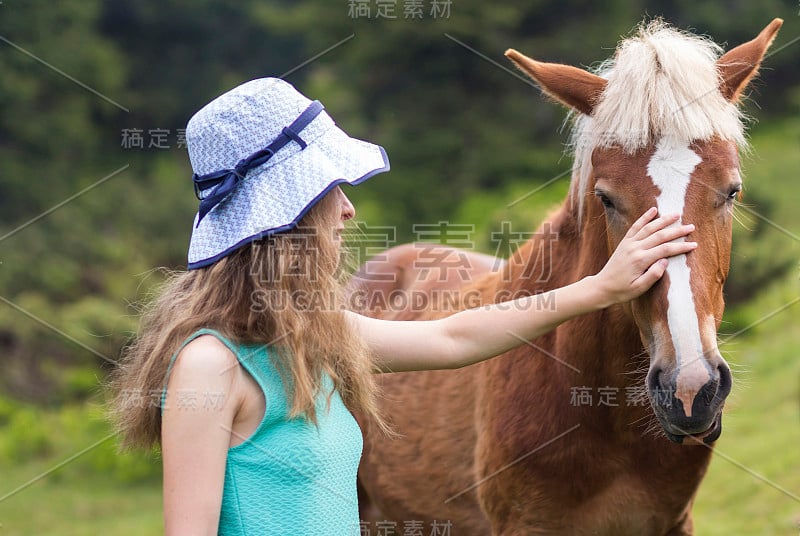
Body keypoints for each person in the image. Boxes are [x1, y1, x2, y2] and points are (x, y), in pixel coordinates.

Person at [109, 78, 696, 535]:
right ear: (281, 216)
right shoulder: (209, 367)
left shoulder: (313, 335)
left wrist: (600, 288)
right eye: (329, 190)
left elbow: (454, 340)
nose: (348, 211)